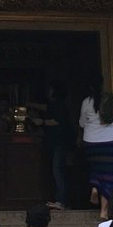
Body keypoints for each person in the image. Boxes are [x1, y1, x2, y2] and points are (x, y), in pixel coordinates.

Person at [79, 76, 113, 220]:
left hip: (90, 141)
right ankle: (103, 211)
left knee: (96, 170)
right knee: (109, 177)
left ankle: (95, 188)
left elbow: (82, 123)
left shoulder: (86, 102)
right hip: (108, 141)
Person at [33, 81, 70, 210]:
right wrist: (31, 105)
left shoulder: (59, 106)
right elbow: (45, 107)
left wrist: (41, 122)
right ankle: (59, 199)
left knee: (57, 171)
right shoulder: (55, 105)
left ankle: (61, 201)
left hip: (59, 143)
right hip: (56, 143)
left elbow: (55, 121)